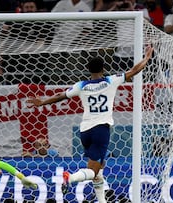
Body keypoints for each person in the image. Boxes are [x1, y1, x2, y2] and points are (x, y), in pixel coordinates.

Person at [27, 47, 154, 203]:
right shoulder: (111, 80)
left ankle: (102, 201)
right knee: (93, 171)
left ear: (88, 70)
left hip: (85, 131)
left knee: (99, 167)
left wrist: (42, 102)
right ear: (104, 68)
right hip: (101, 130)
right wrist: (147, 57)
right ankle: (70, 177)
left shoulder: (82, 85)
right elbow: (135, 70)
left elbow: (61, 96)